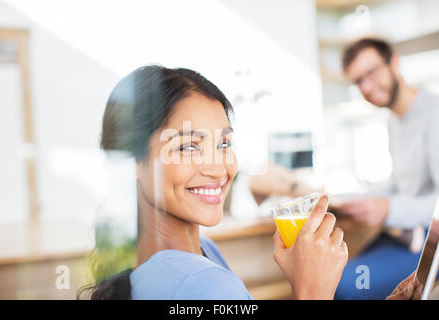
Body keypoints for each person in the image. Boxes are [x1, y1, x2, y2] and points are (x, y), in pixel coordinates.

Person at [79, 65, 421, 300]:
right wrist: (313, 289)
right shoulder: (206, 284)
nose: (218, 168)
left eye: (224, 143)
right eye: (187, 146)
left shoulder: (200, 254)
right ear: (134, 162)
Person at [335, 38, 439, 299]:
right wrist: (352, 201)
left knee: (348, 286)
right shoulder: (395, 121)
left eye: (371, 73)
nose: (367, 87)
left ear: (394, 62)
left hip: (431, 241)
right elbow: (402, 183)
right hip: (409, 233)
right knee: (332, 274)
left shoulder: (434, 112)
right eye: (358, 81)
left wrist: (389, 209)